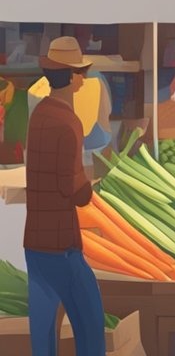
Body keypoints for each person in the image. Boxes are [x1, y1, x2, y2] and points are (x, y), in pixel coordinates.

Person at [25, 38, 106, 356]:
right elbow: (72, 189)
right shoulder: (69, 121)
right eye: (80, 73)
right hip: (61, 243)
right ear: (72, 78)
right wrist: (93, 188)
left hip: (34, 240)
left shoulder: (40, 114)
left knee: (43, 332)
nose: (83, 79)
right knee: (89, 323)